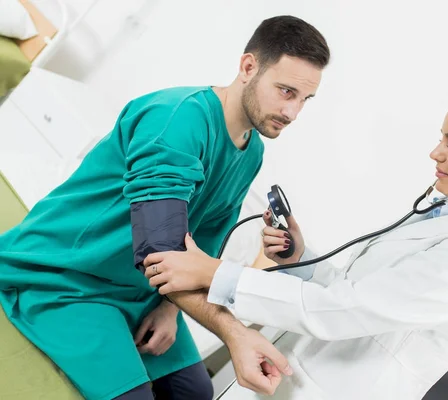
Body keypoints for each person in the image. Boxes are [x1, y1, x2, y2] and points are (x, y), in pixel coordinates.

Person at [142, 83, 448, 399]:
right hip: (286, 374)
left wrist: (215, 272)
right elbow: (353, 289)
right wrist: (301, 257)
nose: (435, 152)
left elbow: (342, 311)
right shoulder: (445, 221)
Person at [0, 15, 330, 400]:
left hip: (142, 290)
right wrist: (234, 333)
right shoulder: (176, 120)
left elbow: (201, 243)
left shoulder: (251, 151)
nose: (293, 113)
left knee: (196, 392)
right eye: (286, 92)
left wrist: (169, 309)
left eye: (305, 100)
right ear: (248, 67)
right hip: (70, 275)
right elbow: (161, 252)